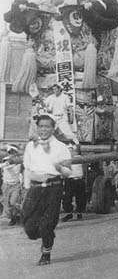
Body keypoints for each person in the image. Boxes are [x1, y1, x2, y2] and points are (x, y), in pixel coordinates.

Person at [21, 114, 72, 266]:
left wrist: (60, 167)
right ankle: (47, 234)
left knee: (47, 224)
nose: (43, 129)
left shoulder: (61, 148)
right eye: (41, 126)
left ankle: (46, 252)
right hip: (35, 189)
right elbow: (27, 168)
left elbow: (69, 172)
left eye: (47, 126)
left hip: (53, 188)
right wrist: (26, 188)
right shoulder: (31, 146)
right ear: (37, 128)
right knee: (29, 228)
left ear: (53, 128)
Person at [61, 145, 86, 222]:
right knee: (67, 198)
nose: (70, 152)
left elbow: (84, 168)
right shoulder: (66, 160)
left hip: (79, 180)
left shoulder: (80, 158)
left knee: (80, 197)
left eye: (71, 151)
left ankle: (79, 213)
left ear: (75, 151)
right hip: (70, 180)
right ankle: (69, 213)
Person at [0, 145, 22, 226]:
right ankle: (12, 216)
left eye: (13, 152)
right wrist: (6, 164)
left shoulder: (19, 162)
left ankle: (14, 217)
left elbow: (21, 172)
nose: (11, 154)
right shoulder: (6, 160)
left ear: (16, 153)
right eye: (10, 152)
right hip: (6, 185)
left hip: (15, 185)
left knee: (13, 202)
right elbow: (4, 165)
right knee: (7, 203)